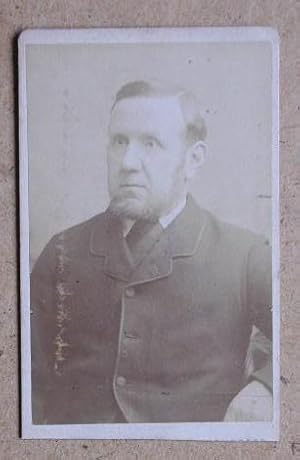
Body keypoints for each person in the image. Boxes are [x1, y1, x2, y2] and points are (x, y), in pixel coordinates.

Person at [30, 80, 272, 425]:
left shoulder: (245, 254)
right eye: (119, 141)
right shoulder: (63, 250)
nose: (127, 161)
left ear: (193, 159)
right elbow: (24, 375)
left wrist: (265, 388)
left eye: (150, 143)